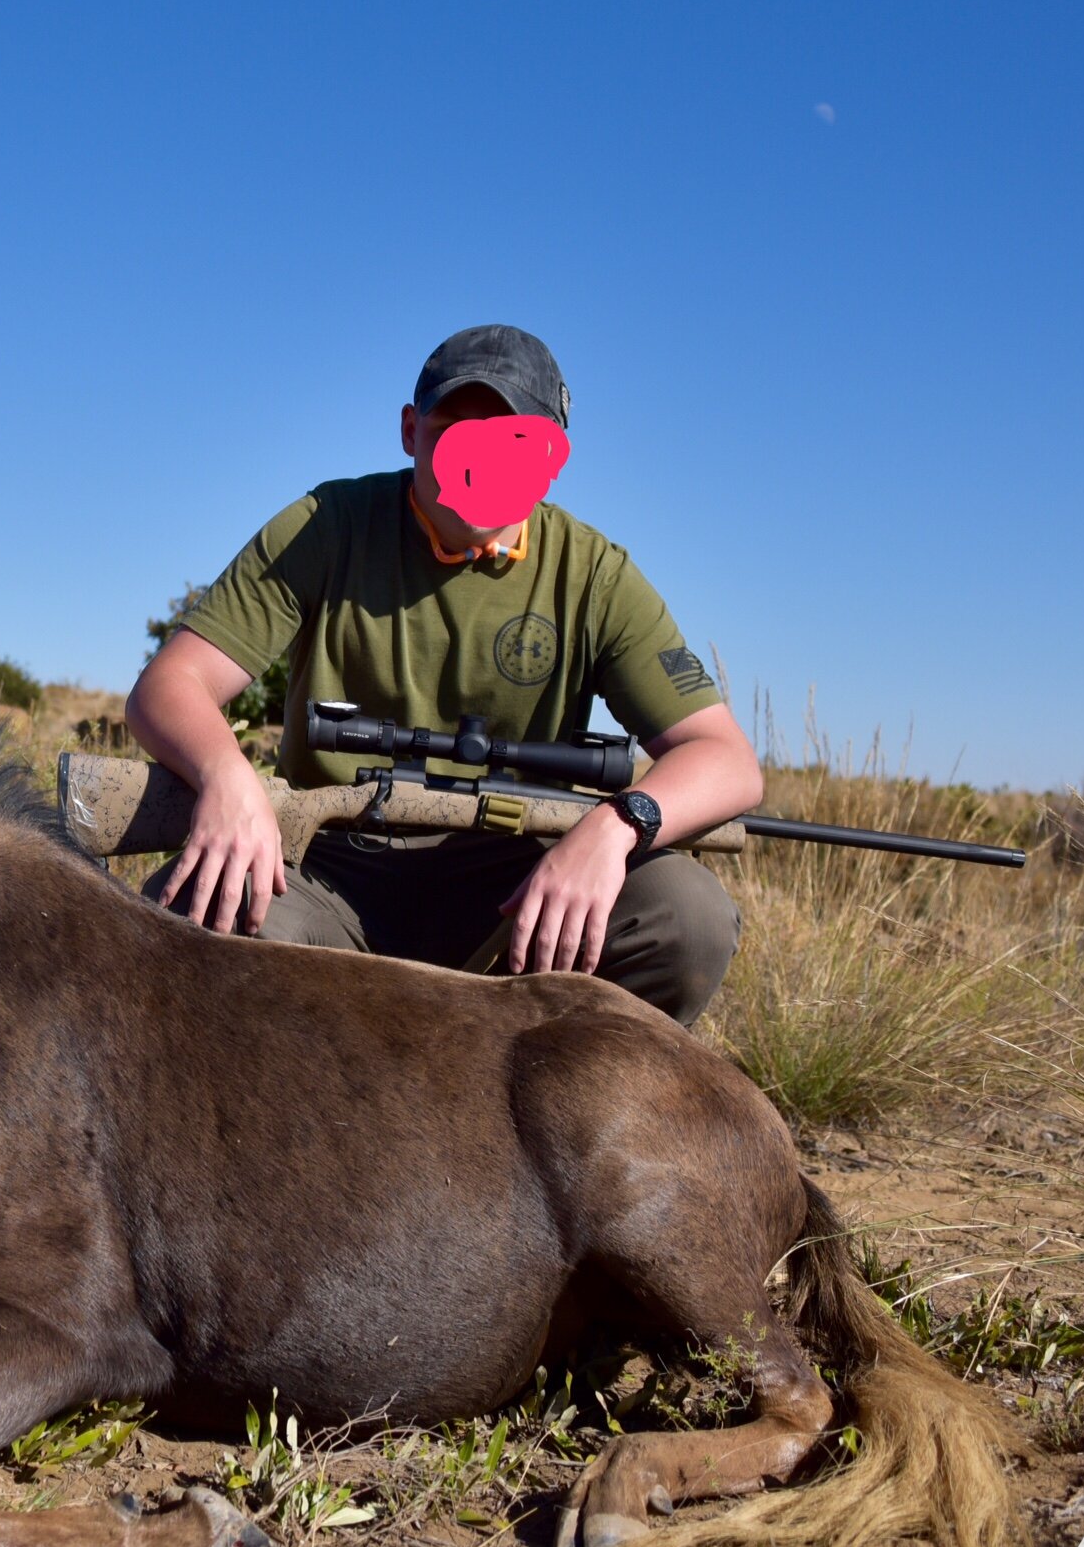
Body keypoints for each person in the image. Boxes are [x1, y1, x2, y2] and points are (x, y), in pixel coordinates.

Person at [126, 325, 763, 1023]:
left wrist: (617, 828)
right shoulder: (327, 525)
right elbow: (169, 686)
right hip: (331, 865)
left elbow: (726, 760)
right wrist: (228, 777)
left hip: (516, 881)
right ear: (409, 430)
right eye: (456, 430)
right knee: (194, 919)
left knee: (688, 918)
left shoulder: (596, 576)